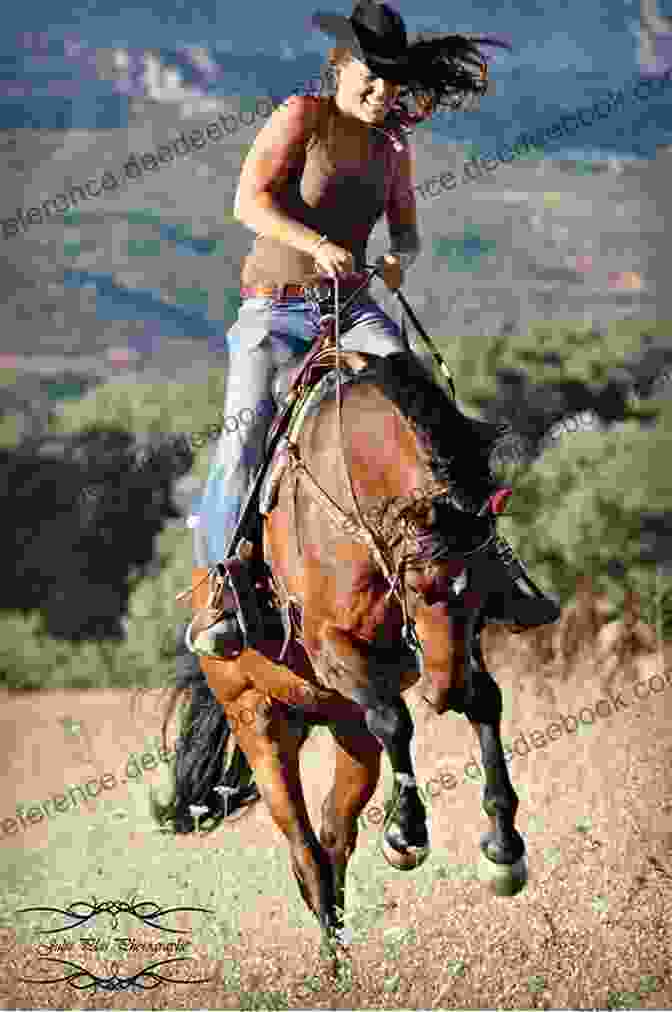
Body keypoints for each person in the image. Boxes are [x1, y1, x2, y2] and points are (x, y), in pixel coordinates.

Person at [186, 0, 560, 658]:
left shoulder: (393, 143)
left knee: (430, 413)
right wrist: (316, 241)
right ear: (340, 66)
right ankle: (221, 590)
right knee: (243, 440)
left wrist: (398, 259)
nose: (381, 90)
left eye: (392, 80)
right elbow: (249, 201)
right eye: (370, 74)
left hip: (354, 306)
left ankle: (495, 563)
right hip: (276, 308)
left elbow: (407, 233)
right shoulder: (301, 116)